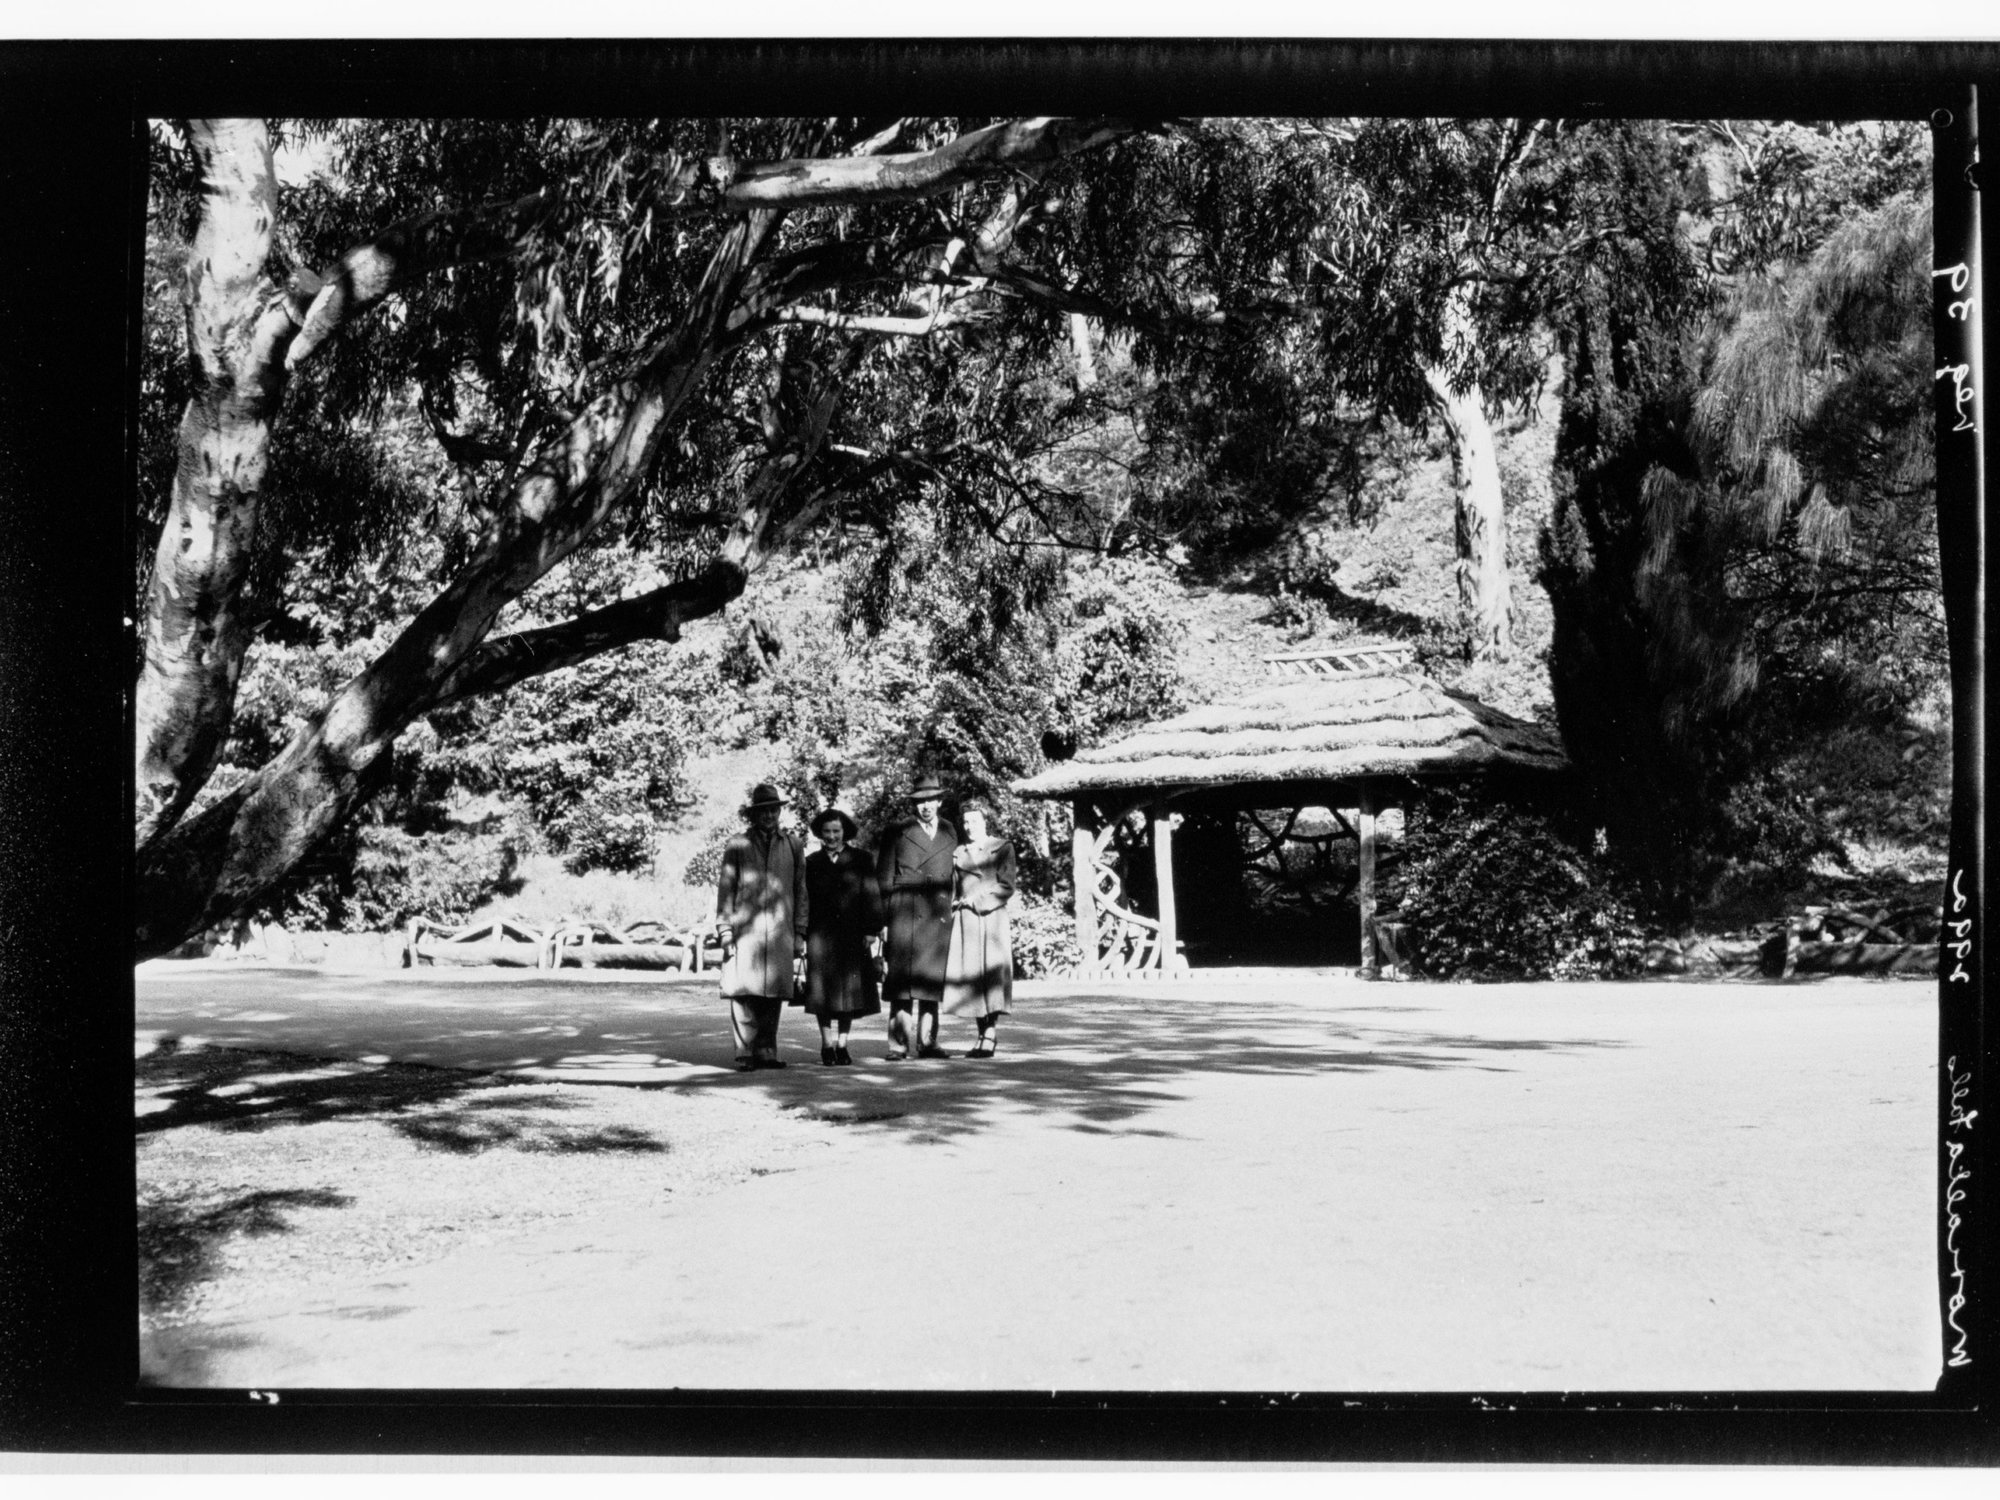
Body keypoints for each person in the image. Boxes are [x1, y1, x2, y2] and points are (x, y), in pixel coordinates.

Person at [715, 783, 808, 1072]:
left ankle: (767, 1052)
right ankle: (745, 1053)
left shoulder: (793, 845)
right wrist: (725, 930)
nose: (769, 815)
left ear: (780, 812)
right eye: (763, 811)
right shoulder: (738, 845)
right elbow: (726, 888)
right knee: (744, 992)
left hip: (780, 929)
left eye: (774, 810)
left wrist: (800, 931)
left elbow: (800, 889)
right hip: (745, 929)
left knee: (773, 991)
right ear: (754, 814)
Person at [875, 773, 957, 1060]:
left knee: (930, 980)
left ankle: (928, 1042)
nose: (926, 806)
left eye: (931, 800)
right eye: (921, 801)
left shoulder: (949, 830)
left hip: (937, 913)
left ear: (939, 802)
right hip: (904, 912)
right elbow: (883, 879)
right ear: (914, 803)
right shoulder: (897, 831)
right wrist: (883, 920)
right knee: (902, 981)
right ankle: (898, 1044)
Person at [799, 807, 883, 1066]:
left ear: (845, 832)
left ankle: (843, 1045)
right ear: (819, 833)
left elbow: (872, 894)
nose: (832, 836)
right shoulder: (811, 862)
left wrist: (871, 930)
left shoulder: (862, 859)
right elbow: (803, 900)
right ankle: (826, 1045)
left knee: (849, 993)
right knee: (822, 992)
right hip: (820, 936)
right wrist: (801, 933)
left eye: (836, 831)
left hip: (852, 935)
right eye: (827, 831)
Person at [944, 799, 1017, 1058]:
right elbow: (953, 888)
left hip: (992, 918)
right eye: (965, 821)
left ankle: (990, 1034)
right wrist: (954, 905)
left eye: (975, 820)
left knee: (991, 976)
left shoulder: (1002, 847)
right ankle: (981, 1034)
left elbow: (1007, 885)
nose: (969, 826)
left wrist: (979, 900)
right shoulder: (958, 853)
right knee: (973, 976)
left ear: (986, 821)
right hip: (967, 921)